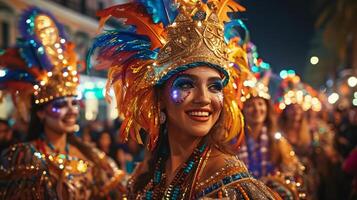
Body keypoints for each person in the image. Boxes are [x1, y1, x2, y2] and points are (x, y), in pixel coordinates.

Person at [88, 0, 281, 199]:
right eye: (186, 84)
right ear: (160, 98)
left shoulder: (231, 185)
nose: (204, 99)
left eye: (214, 86)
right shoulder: (148, 173)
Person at [0, 7, 124, 199]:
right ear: (41, 112)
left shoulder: (91, 154)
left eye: (74, 103)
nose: (71, 111)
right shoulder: (22, 157)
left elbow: (118, 191)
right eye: (60, 105)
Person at [237, 74, 306, 199]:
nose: (256, 109)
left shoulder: (279, 141)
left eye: (260, 104)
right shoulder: (234, 142)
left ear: (267, 108)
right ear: (243, 110)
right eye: (250, 105)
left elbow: (292, 173)